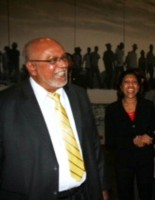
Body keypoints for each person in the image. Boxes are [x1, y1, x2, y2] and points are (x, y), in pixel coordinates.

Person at [0, 37, 104, 200]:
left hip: (84, 194)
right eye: (53, 60)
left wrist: (102, 187)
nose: (63, 64)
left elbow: (93, 145)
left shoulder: (78, 95)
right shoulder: (6, 104)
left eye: (63, 58)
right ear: (32, 67)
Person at [105, 69, 155, 200]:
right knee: (124, 193)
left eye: (134, 82)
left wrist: (150, 137)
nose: (130, 85)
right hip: (123, 160)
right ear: (120, 86)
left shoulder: (148, 106)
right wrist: (133, 141)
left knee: (146, 193)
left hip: (145, 158)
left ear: (139, 86)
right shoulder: (112, 109)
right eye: (126, 82)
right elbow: (110, 140)